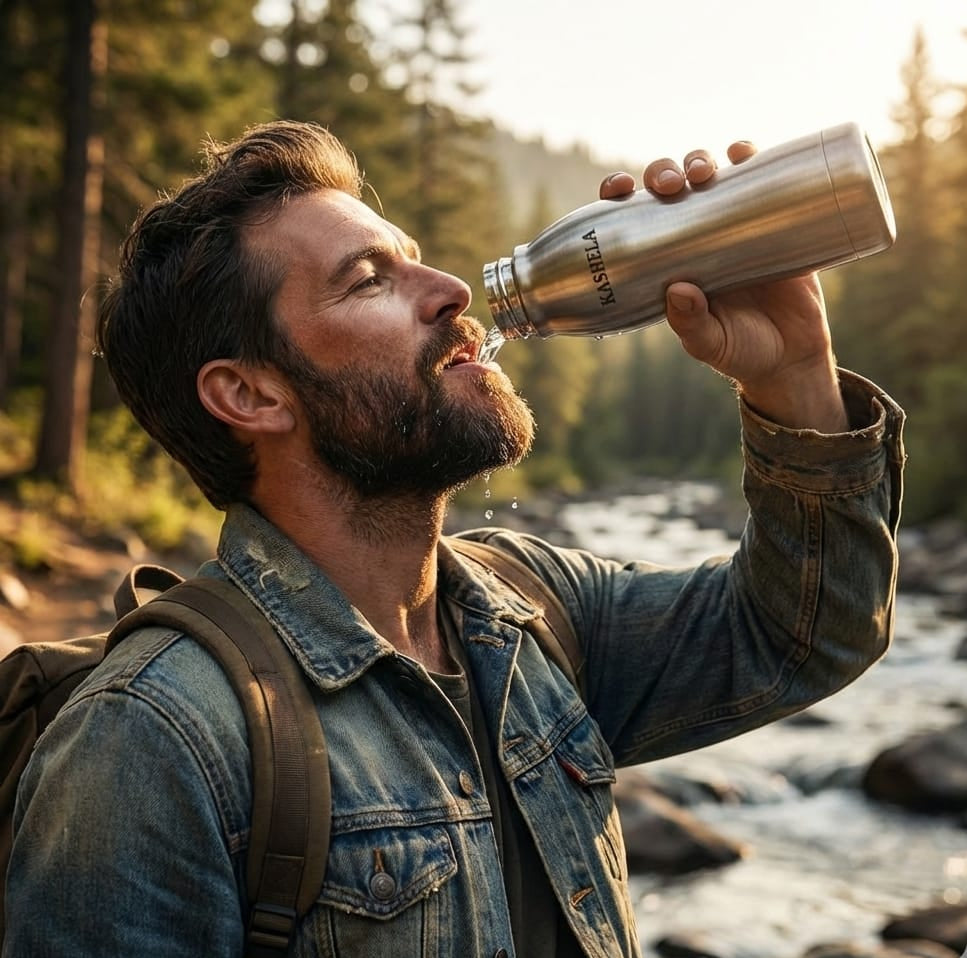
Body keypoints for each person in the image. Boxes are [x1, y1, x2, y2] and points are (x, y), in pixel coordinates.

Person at [3, 119, 905, 958]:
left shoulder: (536, 613)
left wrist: (791, 373)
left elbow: (803, 633)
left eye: (416, 262)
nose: (452, 293)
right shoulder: (153, 739)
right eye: (369, 281)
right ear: (251, 395)